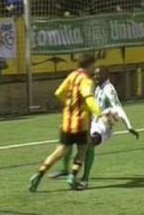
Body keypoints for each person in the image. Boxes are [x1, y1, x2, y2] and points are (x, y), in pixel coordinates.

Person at [50, 67, 139, 188]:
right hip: (92, 123)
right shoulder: (98, 87)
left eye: (99, 74)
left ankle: (85, 180)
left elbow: (118, 108)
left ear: (106, 75)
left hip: (103, 128)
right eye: (95, 74)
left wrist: (129, 126)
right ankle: (66, 170)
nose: (96, 77)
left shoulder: (109, 89)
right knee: (68, 137)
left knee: (88, 145)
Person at [29, 54, 103, 192]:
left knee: (60, 151)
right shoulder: (86, 80)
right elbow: (88, 98)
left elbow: (59, 92)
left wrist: (70, 104)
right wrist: (99, 113)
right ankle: (73, 177)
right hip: (81, 122)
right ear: (89, 65)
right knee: (83, 149)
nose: (95, 68)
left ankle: (38, 175)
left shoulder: (72, 75)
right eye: (94, 65)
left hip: (67, 120)